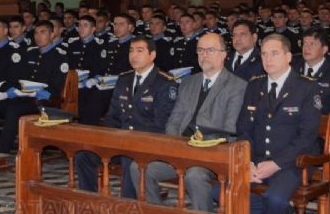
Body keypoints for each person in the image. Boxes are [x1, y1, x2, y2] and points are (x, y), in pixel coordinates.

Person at [129, 33, 246, 210]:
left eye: (210, 50)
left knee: (194, 176)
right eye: (200, 50)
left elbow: (229, 130)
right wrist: (177, 146)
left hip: (212, 154)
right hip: (181, 149)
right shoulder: (188, 82)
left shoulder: (237, 85)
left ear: (224, 54)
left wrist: (199, 149)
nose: (204, 55)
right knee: (138, 167)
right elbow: (174, 120)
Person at [75, 36, 177, 196]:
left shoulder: (165, 83)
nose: (134, 55)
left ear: (152, 55)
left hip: (148, 143)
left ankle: (129, 205)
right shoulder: (124, 79)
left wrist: (128, 139)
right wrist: (105, 138)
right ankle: (89, 200)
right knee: (84, 155)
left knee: (129, 158)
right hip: (120, 141)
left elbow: (162, 124)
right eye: (131, 51)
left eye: (139, 51)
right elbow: (112, 116)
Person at [236, 34, 322, 214]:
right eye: (264, 54)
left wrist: (275, 163)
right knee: (221, 191)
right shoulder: (254, 86)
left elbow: (306, 136)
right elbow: (244, 129)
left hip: (292, 163)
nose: (268, 59)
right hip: (257, 161)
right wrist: (249, 162)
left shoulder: (306, 88)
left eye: (274, 53)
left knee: (274, 199)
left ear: (288, 57)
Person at [0, 20, 70, 153]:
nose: (38, 36)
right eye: (36, 33)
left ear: (52, 35)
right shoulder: (29, 53)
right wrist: (6, 91)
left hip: (44, 101)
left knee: (13, 110)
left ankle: (2, 151)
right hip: (24, 97)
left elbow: (56, 87)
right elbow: (17, 77)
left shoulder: (60, 56)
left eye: (43, 32)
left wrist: (34, 92)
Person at [292, 28, 330, 114]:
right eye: (304, 44)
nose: (306, 48)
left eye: (312, 44)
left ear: (324, 50)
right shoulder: (292, 68)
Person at [67, 15, 107, 125]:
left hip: (90, 85)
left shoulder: (100, 45)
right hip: (73, 84)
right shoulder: (73, 44)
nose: (81, 28)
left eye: (85, 25)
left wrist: (91, 81)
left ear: (93, 29)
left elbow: (100, 69)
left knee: (90, 103)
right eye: (79, 25)